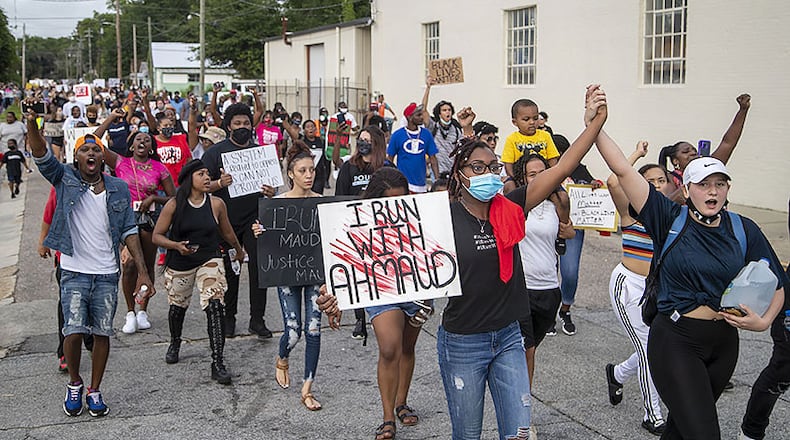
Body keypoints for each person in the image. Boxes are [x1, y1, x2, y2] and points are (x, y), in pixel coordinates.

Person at [320, 85, 608, 440]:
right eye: (477, 167)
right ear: (460, 173)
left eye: (492, 167)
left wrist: (594, 124)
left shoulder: (514, 206)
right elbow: (378, 255)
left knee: (518, 433)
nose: (487, 173)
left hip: (509, 338)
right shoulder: (436, 218)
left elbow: (563, 166)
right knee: (468, 434)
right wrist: (337, 288)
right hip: (463, 343)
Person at [594, 119, 787, 439]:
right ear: (686, 189)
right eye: (703, 184)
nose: (712, 190)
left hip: (724, 344)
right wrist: (596, 125)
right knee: (704, 433)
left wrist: (764, 321)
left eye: (720, 183)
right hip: (675, 339)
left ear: (728, 188)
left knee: (682, 429)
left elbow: (777, 281)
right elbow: (623, 173)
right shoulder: (667, 218)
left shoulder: (743, 228)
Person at [27, 112, 155, 418]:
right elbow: (42, 154)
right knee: (72, 332)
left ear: (104, 157)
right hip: (73, 270)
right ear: (76, 156)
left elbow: (129, 231)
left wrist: (144, 273)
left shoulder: (118, 188)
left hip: (107, 274)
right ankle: (75, 382)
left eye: (97, 149)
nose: (92, 153)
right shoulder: (65, 178)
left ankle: (94, 389)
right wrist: (32, 124)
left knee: (101, 333)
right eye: (85, 149)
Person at [319, 167, 432, 439]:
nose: (395, 206)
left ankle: (401, 402)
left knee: (407, 346)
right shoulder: (358, 219)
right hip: (379, 288)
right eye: (388, 200)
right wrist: (334, 290)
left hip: (414, 287)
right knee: (390, 347)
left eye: (400, 199)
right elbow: (343, 256)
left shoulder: (417, 214)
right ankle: (387, 416)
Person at [152, 159, 244, 384]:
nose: (206, 178)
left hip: (209, 258)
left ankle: (218, 361)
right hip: (180, 262)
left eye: (207, 174)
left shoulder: (216, 204)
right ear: (189, 179)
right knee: (177, 308)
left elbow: (228, 233)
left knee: (215, 306)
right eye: (201, 174)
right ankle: (175, 341)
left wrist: (239, 251)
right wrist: (175, 246)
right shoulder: (174, 204)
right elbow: (157, 235)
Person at [604, 140, 673, 435]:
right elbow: (612, 179)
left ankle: (617, 374)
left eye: (661, 180)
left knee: (656, 347)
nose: (656, 185)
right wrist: (637, 155)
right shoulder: (632, 212)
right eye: (648, 181)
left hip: (658, 289)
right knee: (648, 350)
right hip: (628, 286)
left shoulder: (675, 214)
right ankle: (652, 415)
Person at [252, 141, 324, 410]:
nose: (309, 175)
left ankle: (307, 388)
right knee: (293, 332)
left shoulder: (323, 203)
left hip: (315, 273)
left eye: (312, 170)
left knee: (314, 330)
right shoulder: (276, 205)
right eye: (303, 170)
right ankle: (282, 357)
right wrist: (260, 231)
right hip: (287, 274)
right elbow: (266, 238)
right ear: (291, 174)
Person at [94, 109, 177, 334]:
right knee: (129, 265)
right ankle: (130, 312)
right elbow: (93, 141)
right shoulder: (120, 162)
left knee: (147, 266)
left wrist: (154, 198)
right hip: (124, 220)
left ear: (151, 147)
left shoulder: (160, 168)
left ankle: (142, 310)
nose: (142, 141)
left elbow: (174, 197)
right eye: (138, 139)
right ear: (131, 146)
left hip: (149, 221)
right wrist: (111, 118)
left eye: (147, 140)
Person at [201, 103, 277, 338]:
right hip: (226, 220)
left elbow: (272, 186)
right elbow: (202, 185)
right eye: (237, 124)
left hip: (255, 219)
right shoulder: (214, 153)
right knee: (229, 271)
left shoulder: (259, 152)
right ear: (228, 126)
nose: (242, 127)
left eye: (246, 123)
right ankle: (228, 319)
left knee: (259, 270)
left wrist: (271, 191)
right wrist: (219, 184)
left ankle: (257, 319)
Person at [506, 153, 573, 389]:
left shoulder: (557, 206)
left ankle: (518, 397)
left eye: (543, 173)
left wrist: (568, 232)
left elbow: (568, 233)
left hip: (549, 291)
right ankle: (523, 413)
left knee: (529, 350)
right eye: (532, 174)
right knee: (527, 351)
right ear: (523, 178)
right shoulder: (515, 204)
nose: (538, 178)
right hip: (521, 289)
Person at [334, 125, 389, 340]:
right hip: (355, 227)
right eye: (361, 140)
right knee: (358, 273)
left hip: (378, 228)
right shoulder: (349, 168)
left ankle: (381, 315)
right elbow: (339, 197)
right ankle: (360, 318)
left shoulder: (385, 168)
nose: (363, 144)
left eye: (368, 140)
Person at [38, 187, 94, 372]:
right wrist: (43, 241)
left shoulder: (103, 184)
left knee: (93, 300)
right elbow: (49, 213)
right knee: (67, 305)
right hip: (67, 258)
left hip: (95, 258)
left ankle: (91, 341)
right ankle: (64, 352)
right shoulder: (60, 185)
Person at [658, 94, 751, 186]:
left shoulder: (708, 167)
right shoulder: (668, 179)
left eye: (695, 150)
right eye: (686, 152)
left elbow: (728, 143)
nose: (693, 153)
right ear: (675, 161)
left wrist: (743, 110)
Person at [386, 103, 439, 193]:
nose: (422, 117)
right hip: (403, 185)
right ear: (409, 117)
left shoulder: (426, 134)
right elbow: (390, 159)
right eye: (418, 115)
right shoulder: (397, 135)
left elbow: (433, 158)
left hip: (421, 185)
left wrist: (437, 180)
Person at [501, 99, 560, 180]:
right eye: (526, 119)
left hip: (544, 176)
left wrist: (551, 176)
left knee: (561, 192)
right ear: (515, 122)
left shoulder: (545, 136)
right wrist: (515, 180)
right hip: (521, 178)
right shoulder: (512, 139)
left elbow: (552, 159)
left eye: (535, 118)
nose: (532, 122)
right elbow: (508, 164)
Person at [421, 78, 464, 174]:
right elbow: (423, 110)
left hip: (452, 170)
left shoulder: (456, 129)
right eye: (444, 110)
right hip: (437, 170)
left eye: (449, 110)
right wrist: (428, 88)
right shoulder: (433, 126)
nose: (447, 112)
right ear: (439, 114)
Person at [153, 97, 198, 184]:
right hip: (159, 185)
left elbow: (189, 159)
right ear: (158, 128)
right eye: (165, 125)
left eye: (170, 125)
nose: (168, 127)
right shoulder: (153, 141)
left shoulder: (181, 138)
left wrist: (192, 110)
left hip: (179, 184)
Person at [283, 115, 328, 194]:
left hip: (319, 175)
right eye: (308, 127)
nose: (310, 128)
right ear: (303, 130)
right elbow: (291, 133)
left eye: (312, 126)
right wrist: (285, 122)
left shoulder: (321, 141)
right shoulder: (301, 140)